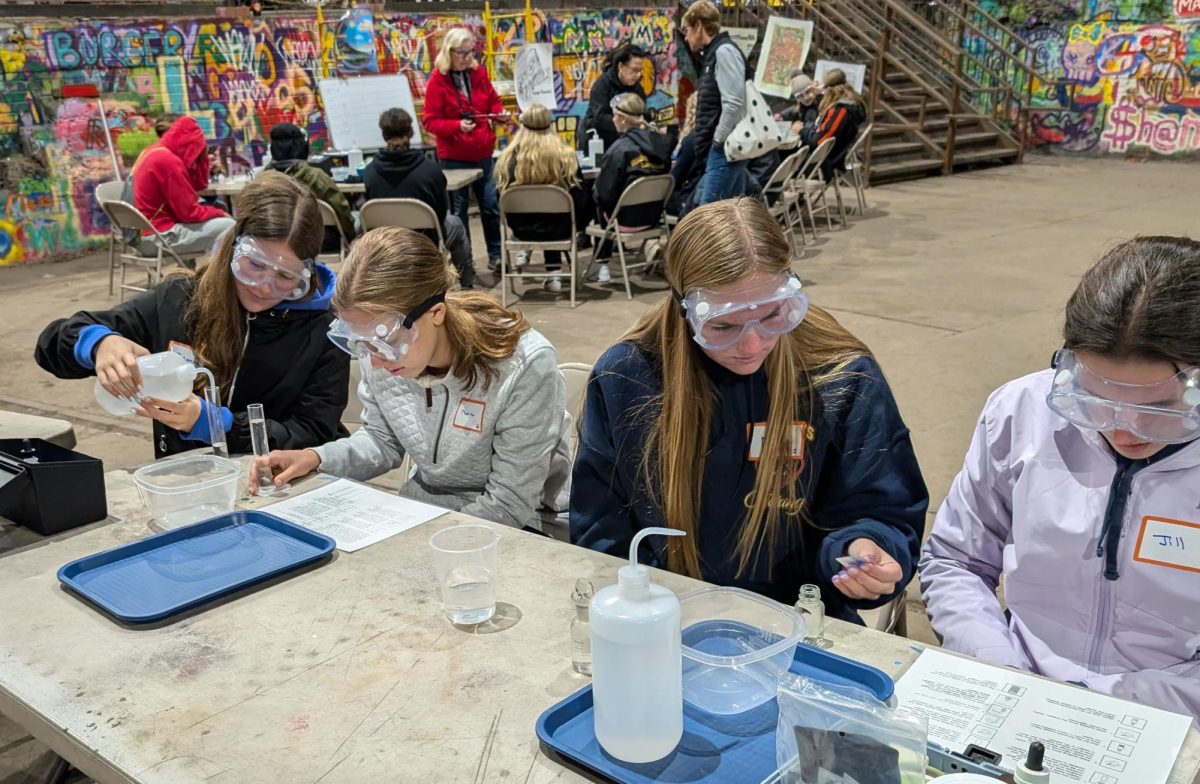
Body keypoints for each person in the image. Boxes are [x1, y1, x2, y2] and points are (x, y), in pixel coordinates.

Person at [570, 198, 927, 617]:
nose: (753, 345)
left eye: (774, 316)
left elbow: (883, 506)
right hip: (666, 617)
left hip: (802, 619)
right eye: (723, 326)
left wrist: (863, 550)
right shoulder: (629, 377)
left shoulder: (838, 376)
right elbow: (600, 527)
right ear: (686, 311)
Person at [921, 236, 1200, 721]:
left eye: (1154, 409)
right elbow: (956, 561)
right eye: (1096, 398)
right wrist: (1001, 669)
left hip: (1173, 720)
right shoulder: (1021, 413)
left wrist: (1117, 707)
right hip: (1015, 690)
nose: (1121, 428)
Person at [251, 227, 572, 530]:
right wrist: (315, 457)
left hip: (522, 523)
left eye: (385, 342)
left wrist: (420, 542)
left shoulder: (524, 364)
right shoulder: (381, 348)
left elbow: (508, 504)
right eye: (359, 342)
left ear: (436, 314)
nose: (374, 360)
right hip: (423, 509)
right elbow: (382, 441)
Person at [36, 172, 350, 458]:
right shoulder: (180, 299)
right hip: (190, 481)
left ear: (306, 273)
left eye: (285, 276)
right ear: (233, 248)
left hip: (285, 487)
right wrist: (97, 343)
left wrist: (221, 425)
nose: (265, 287)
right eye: (254, 264)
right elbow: (50, 346)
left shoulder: (325, 331)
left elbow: (315, 432)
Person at [362, 108, 475, 289]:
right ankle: (467, 287)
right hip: (424, 243)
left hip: (386, 244)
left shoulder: (370, 172)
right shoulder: (430, 171)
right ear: (411, 133)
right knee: (455, 223)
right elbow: (439, 215)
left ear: (384, 136)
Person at [423, 28, 505, 270]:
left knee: (490, 205)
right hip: (455, 156)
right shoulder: (437, 80)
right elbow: (430, 121)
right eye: (462, 53)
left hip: (482, 152)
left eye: (471, 52)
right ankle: (464, 262)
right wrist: (457, 126)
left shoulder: (477, 72)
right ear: (449, 52)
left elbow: (493, 100)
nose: (468, 57)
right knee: (459, 212)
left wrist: (498, 115)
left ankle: (496, 255)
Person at [493, 104, 590, 294]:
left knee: (543, 216)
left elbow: (500, 198)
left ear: (522, 125)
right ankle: (554, 273)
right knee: (555, 215)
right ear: (550, 124)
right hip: (560, 228)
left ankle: (537, 261)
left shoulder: (507, 159)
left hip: (522, 229)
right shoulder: (566, 157)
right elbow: (580, 196)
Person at [591, 93, 672, 282]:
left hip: (625, 220)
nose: (612, 119)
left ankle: (602, 264)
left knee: (597, 198)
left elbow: (605, 195)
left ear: (622, 119)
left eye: (614, 115)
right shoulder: (662, 144)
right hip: (654, 216)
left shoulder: (618, 150)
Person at [130, 115, 234, 257]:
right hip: (158, 238)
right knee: (230, 226)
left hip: (142, 235)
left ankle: (188, 273)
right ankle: (220, 276)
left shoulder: (152, 152)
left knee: (216, 213)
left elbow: (198, 184)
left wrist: (201, 159)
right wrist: (221, 214)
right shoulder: (169, 161)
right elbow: (189, 213)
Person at [680, 0, 748, 206]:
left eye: (687, 29)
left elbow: (734, 102)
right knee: (728, 213)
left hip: (724, 149)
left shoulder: (723, 52)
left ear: (698, 26)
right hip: (723, 148)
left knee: (709, 217)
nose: (685, 36)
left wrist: (717, 140)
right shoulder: (715, 54)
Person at [266, 122, 355, 254]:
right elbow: (342, 213)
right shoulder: (316, 177)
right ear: (302, 146)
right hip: (320, 241)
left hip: (277, 242)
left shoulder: (264, 178)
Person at [577, 43, 649, 154]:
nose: (638, 75)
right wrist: (626, 122)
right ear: (621, 66)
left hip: (625, 144)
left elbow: (644, 114)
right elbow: (599, 118)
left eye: (640, 71)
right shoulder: (602, 85)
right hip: (598, 142)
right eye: (634, 70)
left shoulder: (637, 88)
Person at [799, 68, 867, 182]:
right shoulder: (853, 103)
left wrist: (802, 130)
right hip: (838, 152)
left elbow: (819, 141)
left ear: (829, 90)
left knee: (786, 155)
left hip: (828, 160)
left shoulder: (841, 110)